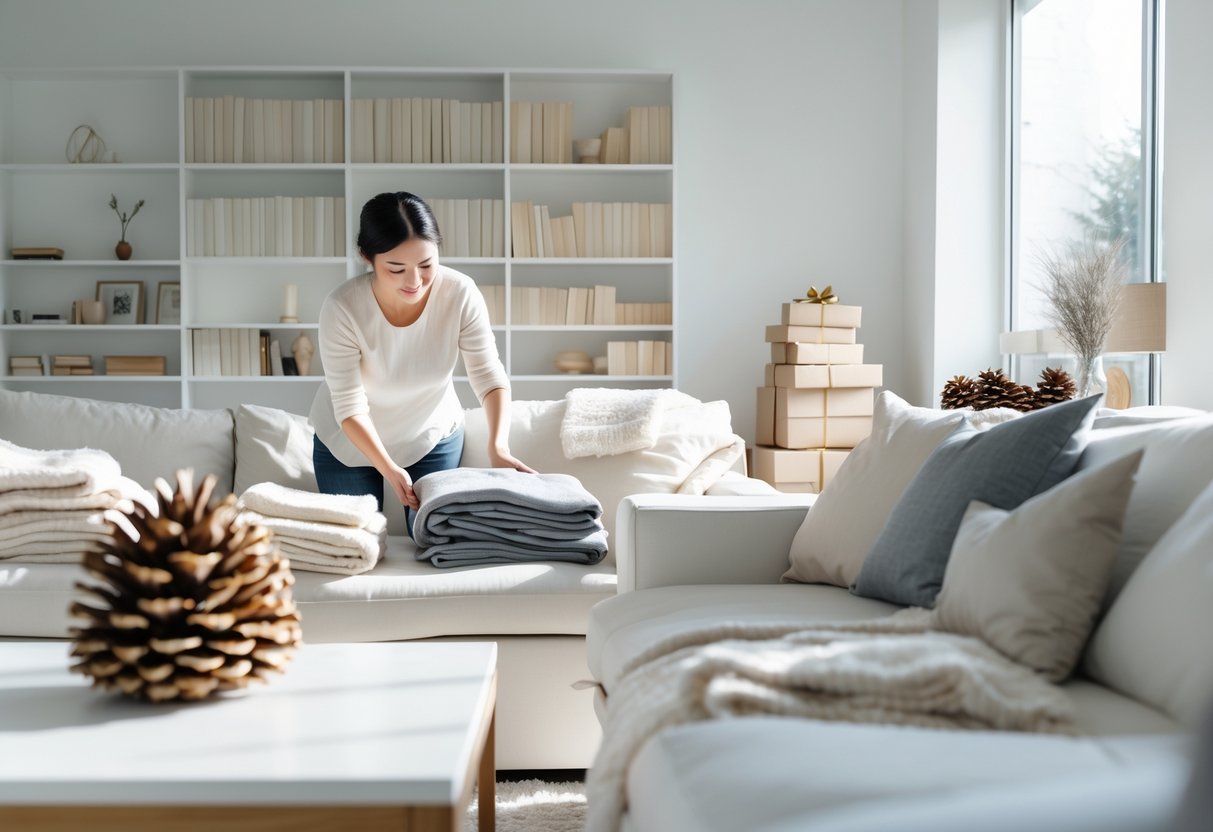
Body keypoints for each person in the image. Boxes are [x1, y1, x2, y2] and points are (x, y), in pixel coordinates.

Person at [309, 191, 533, 536]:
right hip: (349, 440)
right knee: (356, 542)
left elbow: (488, 376)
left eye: (426, 265)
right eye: (396, 269)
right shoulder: (342, 307)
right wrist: (389, 468)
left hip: (430, 434)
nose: (414, 281)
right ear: (366, 257)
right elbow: (349, 406)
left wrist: (498, 446)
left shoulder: (460, 293)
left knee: (433, 537)